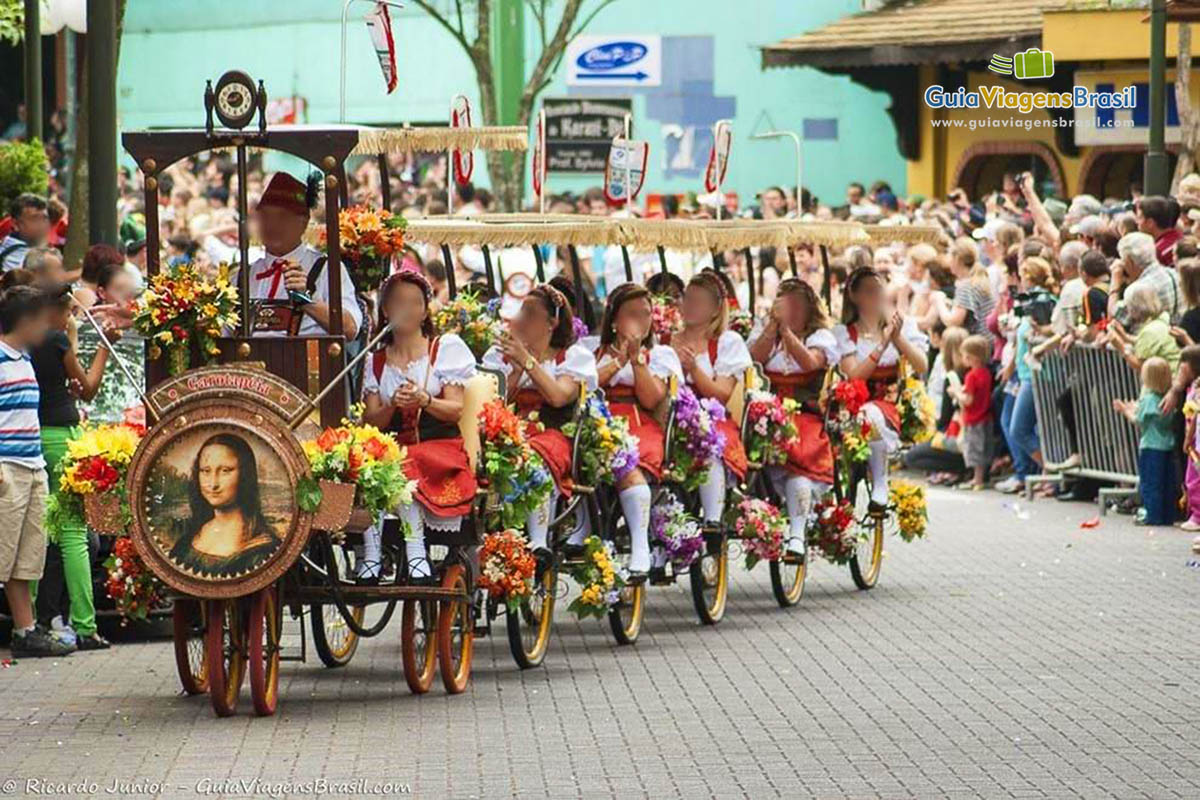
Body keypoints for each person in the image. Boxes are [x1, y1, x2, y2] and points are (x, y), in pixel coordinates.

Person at [360, 271, 476, 582]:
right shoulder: (375, 361)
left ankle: (415, 550)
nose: (406, 310)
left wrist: (425, 400)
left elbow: (455, 410)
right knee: (367, 466)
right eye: (398, 302)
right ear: (385, 310)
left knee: (402, 463)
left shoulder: (445, 349)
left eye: (414, 303)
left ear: (425, 310)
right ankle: (371, 555)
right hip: (394, 448)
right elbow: (370, 421)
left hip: (440, 448)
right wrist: (393, 405)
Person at [31, 285, 120, 650]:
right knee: (73, 533)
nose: (71, 317)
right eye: (68, 311)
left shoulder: (27, 340)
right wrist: (104, 346)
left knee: (38, 532)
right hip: (61, 435)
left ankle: (36, 619)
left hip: (33, 433)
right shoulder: (55, 340)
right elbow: (86, 387)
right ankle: (85, 623)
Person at [482, 285, 597, 562]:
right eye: (521, 311)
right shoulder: (501, 356)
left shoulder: (573, 357)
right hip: (508, 430)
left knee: (533, 457)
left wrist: (527, 360)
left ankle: (538, 539)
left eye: (530, 314)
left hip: (552, 433)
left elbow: (558, 397)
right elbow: (492, 402)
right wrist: (517, 368)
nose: (520, 320)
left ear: (551, 323)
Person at [0, 285, 73, 657]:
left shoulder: (24, 358)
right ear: (25, 321)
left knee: (26, 556)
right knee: (2, 552)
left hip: (33, 467)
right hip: (6, 470)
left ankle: (25, 631)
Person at [592, 283, 682, 576]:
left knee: (629, 457)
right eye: (632, 314)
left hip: (640, 421)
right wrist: (618, 359)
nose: (640, 321)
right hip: (598, 419)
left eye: (645, 314)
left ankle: (640, 543)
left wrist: (636, 360)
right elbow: (584, 386)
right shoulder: (590, 350)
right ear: (616, 320)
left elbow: (653, 398)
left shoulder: (662, 354)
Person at [748, 278, 840, 557]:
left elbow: (810, 363)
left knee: (799, 458)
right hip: (767, 411)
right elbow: (752, 359)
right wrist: (772, 329)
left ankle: (797, 533)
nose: (793, 311)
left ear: (810, 308)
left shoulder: (820, 337)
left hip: (804, 413)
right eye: (787, 305)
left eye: (798, 306)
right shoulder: (768, 333)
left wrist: (787, 332)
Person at [834, 267, 928, 508]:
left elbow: (921, 365)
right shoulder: (846, 332)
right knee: (868, 414)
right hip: (855, 404)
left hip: (892, 403)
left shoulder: (902, 325)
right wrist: (883, 344)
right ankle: (877, 480)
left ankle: (880, 482)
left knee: (873, 415)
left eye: (879, 290)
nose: (877, 295)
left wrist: (897, 339)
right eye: (869, 291)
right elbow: (854, 376)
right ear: (854, 296)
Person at [670, 272, 751, 527]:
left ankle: (713, 519)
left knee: (709, 446)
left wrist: (693, 368)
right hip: (671, 415)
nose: (691, 306)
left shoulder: (727, 342)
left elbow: (721, 393)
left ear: (716, 309)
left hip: (712, 416)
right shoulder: (667, 338)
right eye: (689, 299)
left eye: (699, 301)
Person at [245, 172, 361, 339]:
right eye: (265, 216)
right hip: (249, 364)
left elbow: (350, 329)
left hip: (308, 362)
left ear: (304, 222)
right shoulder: (245, 275)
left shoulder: (326, 270)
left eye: (282, 217)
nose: (271, 224)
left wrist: (307, 300)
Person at [168, 434, 280, 577]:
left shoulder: (262, 548)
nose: (213, 484)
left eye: (225, 471)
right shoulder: (191, 534)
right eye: (206, 471)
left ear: (245, 474)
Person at [1113, 357, 1177, 526]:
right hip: (1167, 445)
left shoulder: (1149, 399)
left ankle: (1153, 515)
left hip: (1150, 446)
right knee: (1166, 482)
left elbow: (1138, 420)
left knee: (1150, 483)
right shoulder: (1168, 399)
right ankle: (1167, 514)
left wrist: (1125, 410)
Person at [949, 335, 993, 490]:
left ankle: (978, 479)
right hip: (986, 416)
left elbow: (968, 400)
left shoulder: (971, 376)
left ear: (972, 358)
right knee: (983, 447)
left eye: (964, 355)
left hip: (973, 418)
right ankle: (979, 478)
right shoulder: (986, 373)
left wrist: (956, 393)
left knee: (974, 449)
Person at [1, 194, 50, 271]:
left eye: (44, 219)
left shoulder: (37, 249)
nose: (42, 225)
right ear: (15, 224)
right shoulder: (14, 256)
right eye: (35, 219)